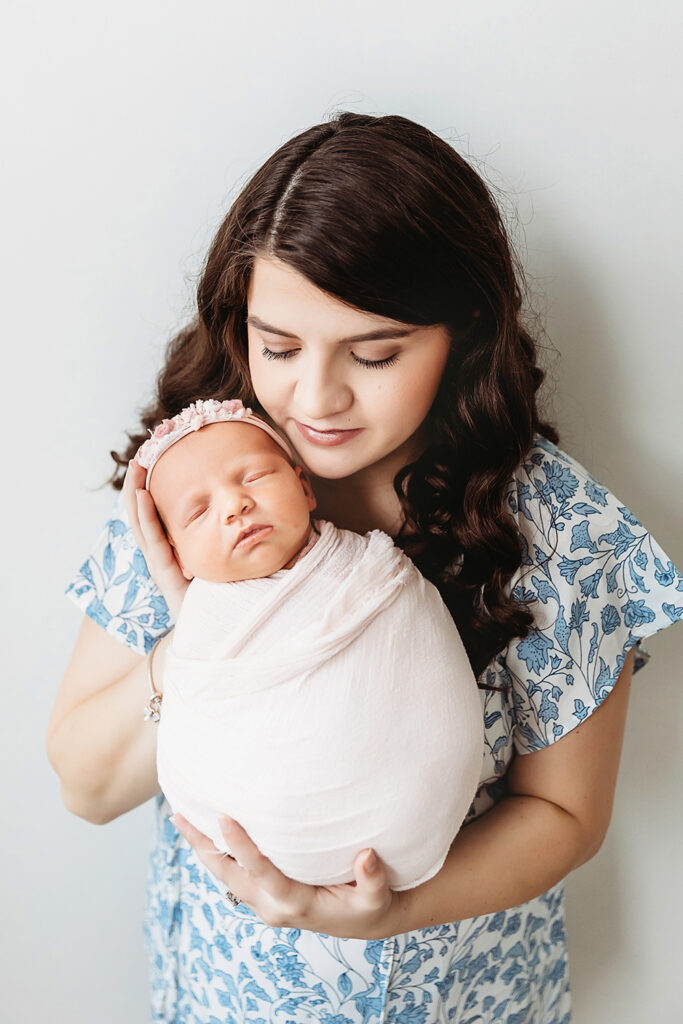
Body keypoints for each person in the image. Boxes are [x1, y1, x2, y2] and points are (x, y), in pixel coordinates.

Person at [47, 112, 683, 1023]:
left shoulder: (553, 523)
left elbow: (567, 817)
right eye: (278, 347)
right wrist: (204, 631)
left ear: (461, 331)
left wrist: (383, 914)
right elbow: (85, 787)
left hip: (465, 994)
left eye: (374, 353)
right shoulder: (201, 485)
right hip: (236, 998)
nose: (315, 398)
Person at [138, 396, 482, 891]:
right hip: (250, 893)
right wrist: (184, 612)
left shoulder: (371, 571)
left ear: (305, 486)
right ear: (178, 555)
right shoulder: (199, 626)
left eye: (253, 477)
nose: (235, 505)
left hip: (425, 857)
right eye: (198, 511)